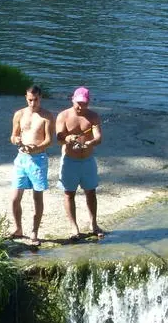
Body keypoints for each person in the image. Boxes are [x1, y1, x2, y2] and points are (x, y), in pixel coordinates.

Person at [55, 87, 105, 239]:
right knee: (69, 193)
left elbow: (98, 137)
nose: (80, 106)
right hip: (70, 160)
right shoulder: (63, 115)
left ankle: (93, 224)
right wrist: (67, 138)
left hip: (87, 160)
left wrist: (91, 142)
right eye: (78, 103)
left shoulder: (93, 117)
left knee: (91, 192)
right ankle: (74, 227)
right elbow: (59, 137)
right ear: (72, 100)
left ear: (88, 102)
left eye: (83, 103)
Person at [10, 85, 55, 246]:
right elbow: (13, 135)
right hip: (21, 158)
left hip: (38, 159)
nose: (33, 103)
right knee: (15, 198)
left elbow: (49, 140)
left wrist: (37, 147)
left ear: (40, 98)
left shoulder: (47, 116)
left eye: (35, 100)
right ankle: (18, 228)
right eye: (30, 100)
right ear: (26, 97)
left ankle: (34, 232)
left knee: (37, 197)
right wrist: (16, 140)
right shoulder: (19, 114)